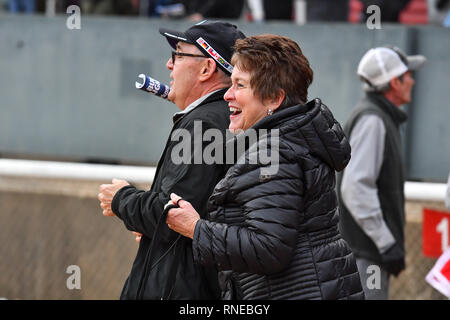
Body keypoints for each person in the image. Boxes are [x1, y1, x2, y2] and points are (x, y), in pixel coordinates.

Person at [164, 34, 365, 300]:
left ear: (273, 99)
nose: (227, 95)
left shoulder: (275, 152)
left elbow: (269, 248)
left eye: (240, 85)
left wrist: (194, 228)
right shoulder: (293, 141)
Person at [98, 21, 245, 300]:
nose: (168, 65)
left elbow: (173, 214)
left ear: (206, 68)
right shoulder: (221, 118)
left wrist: (121, 199)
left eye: (178, 54)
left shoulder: (204, 123)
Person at [337, 46, 426, 299]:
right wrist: (387, 244)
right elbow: (356, 187)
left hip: (365, 254)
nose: (412, 80)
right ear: (394, 82)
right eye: (407, 75)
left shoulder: (377, 116)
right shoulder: (373, 119)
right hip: (365, 255)